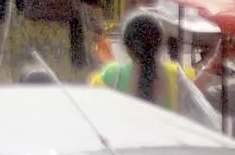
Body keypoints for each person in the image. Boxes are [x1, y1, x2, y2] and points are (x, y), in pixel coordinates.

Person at [90, 11, 219, 123]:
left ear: (126, 45)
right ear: (160, 43)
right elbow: (195, 98)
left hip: (121, 151)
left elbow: (92, 118)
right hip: (165, 150)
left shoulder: (109, 77)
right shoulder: (174, 75)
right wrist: (217, 60)